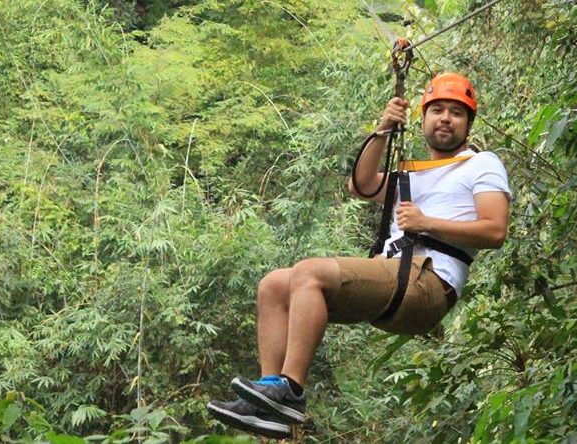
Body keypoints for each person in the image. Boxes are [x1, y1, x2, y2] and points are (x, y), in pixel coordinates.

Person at [206, 72, 512, 439]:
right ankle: (268, 402)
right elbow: (362, 185)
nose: (445, 118)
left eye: (456, 113)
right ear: (424, 118)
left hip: (430, 281)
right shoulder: (411, 173)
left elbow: (495, 230)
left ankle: (291, 390)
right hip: (394, 275)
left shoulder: (481, 164)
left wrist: (426, 222)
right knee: (273, 285)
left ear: (468, 124)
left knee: (310, 273)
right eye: (437, 110)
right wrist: (383, 129)